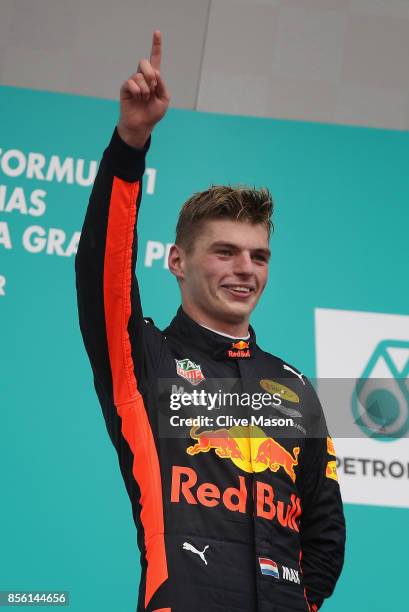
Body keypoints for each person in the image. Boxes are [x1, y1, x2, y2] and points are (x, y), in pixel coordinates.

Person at [75, 31, 345, 612]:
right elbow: (102, 269)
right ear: (178, 261)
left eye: (259, 256)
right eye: (224, 251)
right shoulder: (144, 360)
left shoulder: (295, 388)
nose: (244, 269)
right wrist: (130, 144)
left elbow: (324, 537)